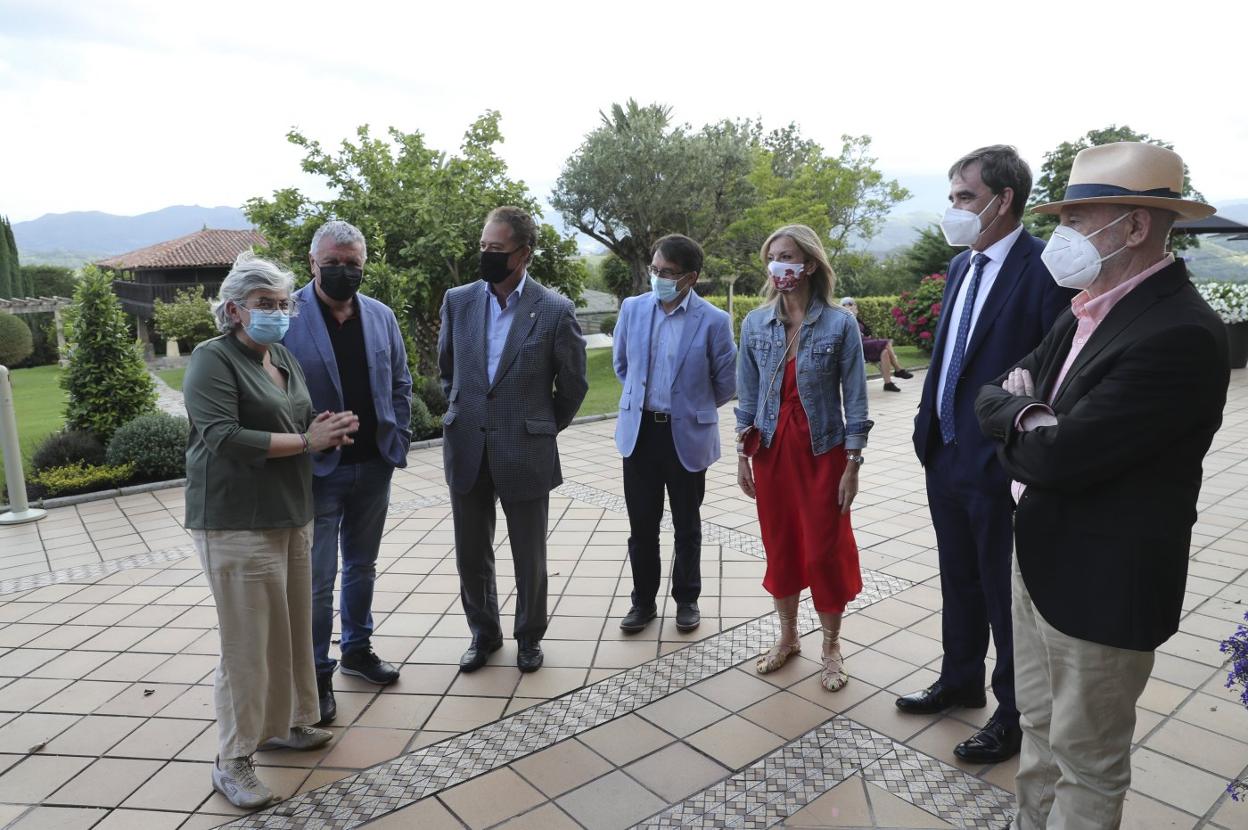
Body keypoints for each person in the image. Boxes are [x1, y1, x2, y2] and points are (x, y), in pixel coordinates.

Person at [977, 142, 1229, 828]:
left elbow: (1058, 459)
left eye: (1081, 215)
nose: (1063, 233)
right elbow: (993, 394)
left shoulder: (1181, 334)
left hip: (1101, 586)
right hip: (1037, 562)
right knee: (1036, 730)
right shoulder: (1086, 307)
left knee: (1086, 760)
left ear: (1136, 225)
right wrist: (1028, 416)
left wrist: (1022, 425)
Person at [898, 145, 1071, 765]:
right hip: (943, 450)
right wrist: (928, 429)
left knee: (1004, 592)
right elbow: (953, 354)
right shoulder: (961, 267)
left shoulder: (1043, 269)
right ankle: (960, 679)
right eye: (952, 198)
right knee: (959, 578)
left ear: (1004, 200)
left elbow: (1053, 371)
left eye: (965, 198)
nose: (955, 210)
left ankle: (1013, 713)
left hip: (998, 461)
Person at [183, 253, 359, 809]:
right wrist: (308, 443)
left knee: (287, 630)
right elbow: (223, 436)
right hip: (236, 520)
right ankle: (232, 759)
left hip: (290, 510)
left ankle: (286, 724)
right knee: (246, 645)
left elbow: (293, 421)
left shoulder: (280, 354)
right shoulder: (213, 360)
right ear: (234, 309)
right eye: (266, 305)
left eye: (284, 304)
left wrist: (323, 430)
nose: (278, 313)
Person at [438, 206, 588, 674]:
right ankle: (484, 634)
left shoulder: (555, 310)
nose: (486, 255)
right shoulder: (458, 300)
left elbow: (575, 384)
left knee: (530, 554)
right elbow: (448, 371)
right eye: (483, 246)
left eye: (496, 249)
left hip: (525, 449)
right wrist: (463, 411)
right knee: (471, 553)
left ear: (522, 254)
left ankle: (529, 637)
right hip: (467, 444)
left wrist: (541, 425)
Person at [282, 220, 413, 725]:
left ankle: (358, 649)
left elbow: (399, 380)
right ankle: (317, 671)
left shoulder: (380, 316)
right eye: (332, 262)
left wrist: (396, 437)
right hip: (315, 471)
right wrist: (303, 437)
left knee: (362, 565)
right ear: (313, 263)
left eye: (352, 264)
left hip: (374, 465)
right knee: (317, 578)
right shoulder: (287, 315)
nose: (343, 271)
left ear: (363, 265)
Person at [735, 224, 870, 693]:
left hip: (823, 452)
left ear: (809, 264)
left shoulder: (839, 324)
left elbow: (855, 398)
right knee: (782, 543)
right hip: (771, 450)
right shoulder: (754, 323)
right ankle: (789, 636)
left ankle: (831, 646)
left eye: (788, 256)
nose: (779, 266)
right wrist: (741, 456)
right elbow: (747, 396)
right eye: (773, 256)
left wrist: (853, 463)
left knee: (825, 548)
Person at [613, 234, 737, 634]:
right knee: (641, 526)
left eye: (667, 272)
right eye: (654, 270)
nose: (658, 277)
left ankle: (687, 600)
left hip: (686, 436)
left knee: (687, 524)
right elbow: (622, 366)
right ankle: (642, 603)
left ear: (690, 277)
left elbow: (727, 382)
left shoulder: (714, 321)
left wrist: (691, 408)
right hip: (641, 433)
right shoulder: (633, 309)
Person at [840, 297, 914, 391]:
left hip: (865, 343)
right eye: (846, 304)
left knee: (885, 352)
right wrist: (849, 314)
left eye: (852, 304)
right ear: (841, 307)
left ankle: (888, 384)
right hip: (856, 345)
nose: (850, 306)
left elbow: (867, 332)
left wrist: (854, 314)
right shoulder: (842, 319)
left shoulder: (857, 319)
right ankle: (898, 369)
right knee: (886, 343)